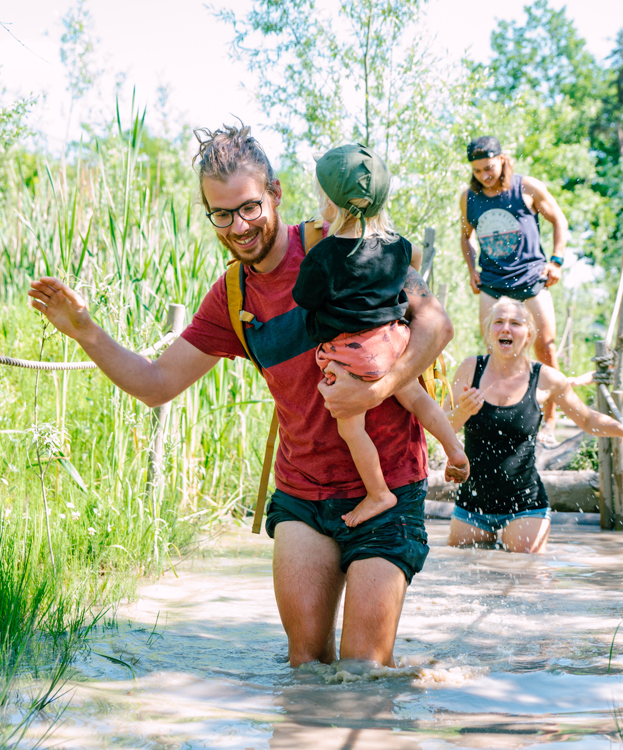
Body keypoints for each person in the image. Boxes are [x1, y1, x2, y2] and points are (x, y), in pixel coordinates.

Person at [28, 125, 454, 669]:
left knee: (364, 672)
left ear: (274, 193)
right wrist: (86, 330)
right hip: (303, 494)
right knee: (306, 670)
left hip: (388, 485)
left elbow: (436, 326)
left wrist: (376, 390)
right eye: (221, 214)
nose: (239, 226)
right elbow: (157, 384)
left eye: (249, 207)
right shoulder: (232, 296)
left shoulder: (340, 244)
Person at [292, 144, 469, 528]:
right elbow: (415, 258)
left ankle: (377, 493)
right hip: (393, 341)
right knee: (416, 397)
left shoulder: (323, 256)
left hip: (354, 353)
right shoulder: (398, 247)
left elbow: (303, 297)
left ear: (330, 203)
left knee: (351, 427)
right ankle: (454, 448)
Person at [445, 296, 623, 554]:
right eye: (499, 322)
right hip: (471, 503)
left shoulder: (547, 379)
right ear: (488, 332)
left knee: (528, 579)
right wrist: (462, 411)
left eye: (515, 323)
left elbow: (586, 419)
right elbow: (444, 426)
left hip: (525, 505)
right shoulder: (470, 368)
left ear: (528, 334)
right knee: (462, 575)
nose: (506, 328)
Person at [459, 135, 568, 444]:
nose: (484, 175)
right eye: (478, 171)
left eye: (489, 168)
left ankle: (549, 419)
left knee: (545, 345)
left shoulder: (526, 187)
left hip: (532, 278)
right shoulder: (469, 197)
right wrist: (471, 270)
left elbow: (559, 220)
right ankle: (498, 418)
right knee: (496, 349)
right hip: (493, 283)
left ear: (503, 159)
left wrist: (557, 261)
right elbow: (465, 237)